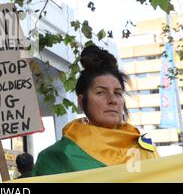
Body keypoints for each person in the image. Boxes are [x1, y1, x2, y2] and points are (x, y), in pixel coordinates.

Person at [33, 45, 160, 176]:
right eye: (100, 92)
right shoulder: (56, 157)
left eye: (117, 93)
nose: (112, 100)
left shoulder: (144, 150)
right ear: (82, 102)